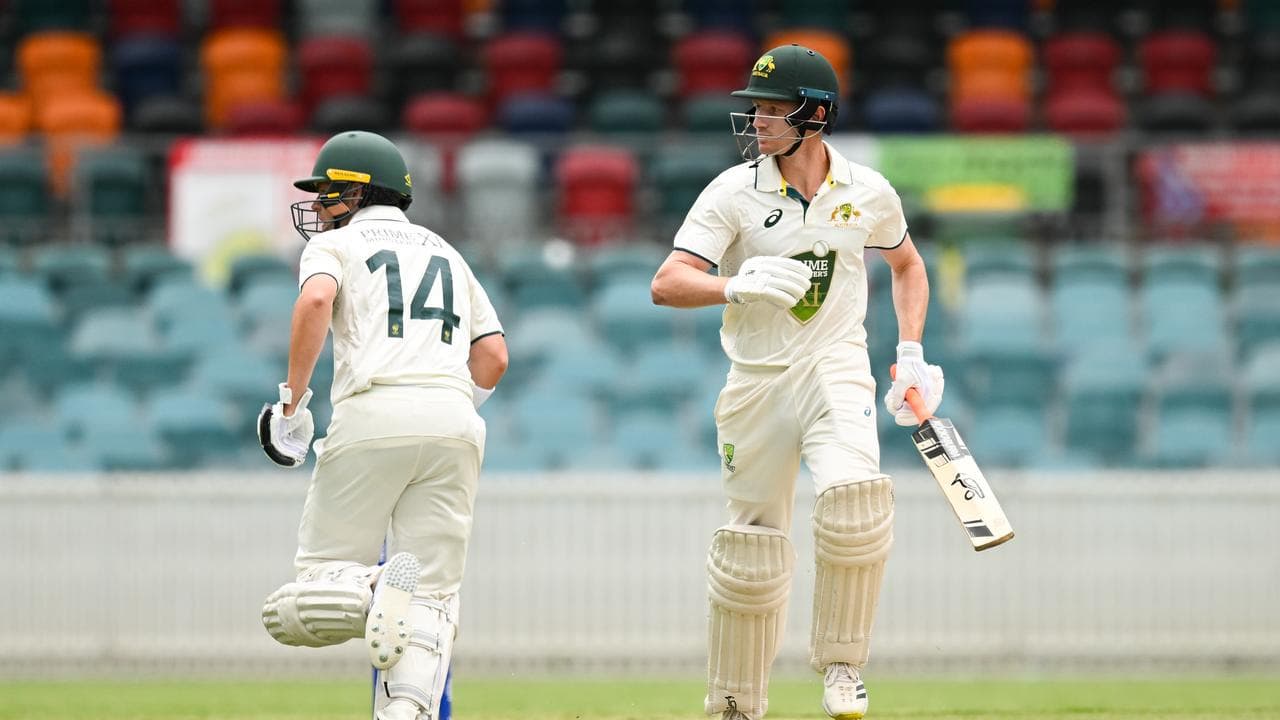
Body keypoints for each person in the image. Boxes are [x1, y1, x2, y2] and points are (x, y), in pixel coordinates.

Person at [650, 45, 945, 720]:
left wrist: (912, 353)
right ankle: (734, 703)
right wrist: (734, 283)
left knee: (853, 502)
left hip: (833, 365)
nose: (758, 121)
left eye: (774, 110)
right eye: (755, 108)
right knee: (751, 547)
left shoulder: (867, 191)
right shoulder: (732, 192)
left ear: (815, 116)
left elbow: (908, 267)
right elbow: (667, 283)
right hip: (756, 383)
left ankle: (843, 669)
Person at [256, 130, 507, 720]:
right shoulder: (447, 250)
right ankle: (406, 711)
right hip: (455, 421)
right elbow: (494, 355)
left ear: (356, 193)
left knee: (319, 579)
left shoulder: (336, 247)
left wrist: (291, 403)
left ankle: (373, 588)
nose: (317, 209)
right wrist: (447, 404)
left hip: (373, 412)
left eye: (325, 196)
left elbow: (316, 302)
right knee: (435, 598)